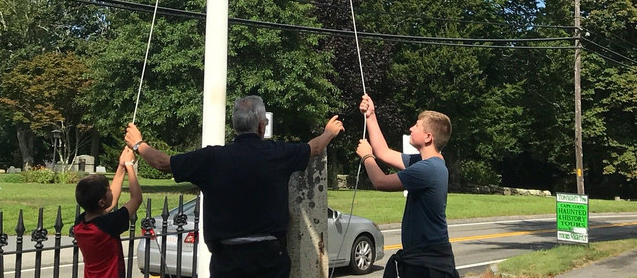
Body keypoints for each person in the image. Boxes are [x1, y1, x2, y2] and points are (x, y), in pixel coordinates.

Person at [125, 95, 343, 278]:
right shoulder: (277, 154)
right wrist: (329, 133)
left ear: (235, 125)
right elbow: (313, 148)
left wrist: (138, 143)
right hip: (269, 259)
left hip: (227, 261)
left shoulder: (212, 158)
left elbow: (162, 163)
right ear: (261, 125)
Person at [356, 93, 457, 278]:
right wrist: (370, 115)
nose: (411, 128)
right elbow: (384, 152)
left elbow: (381, 182)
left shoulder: (428, 169)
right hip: (421, 258)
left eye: (416, 125)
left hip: (429, 264)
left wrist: (366, 157)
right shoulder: (424, 162)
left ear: (428, 137)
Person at [72, 143, 143, 278]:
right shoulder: (109, 224)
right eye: (108, 190)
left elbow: (111, 201)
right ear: (101, 202)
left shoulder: (80, 224)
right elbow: (136, 199)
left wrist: (121, 167)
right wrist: (129, 165)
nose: (111, 190)